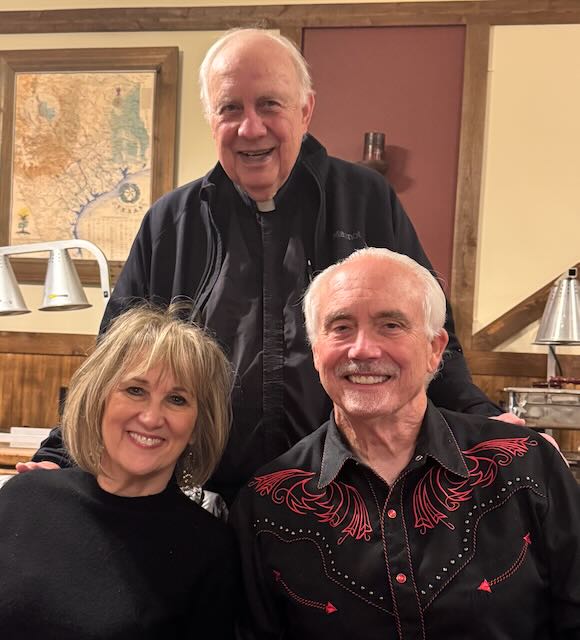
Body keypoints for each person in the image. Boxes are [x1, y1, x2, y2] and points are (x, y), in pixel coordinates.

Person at [28, 28, 520, 504]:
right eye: (230, 108)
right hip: (208, 502)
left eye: (269, 105)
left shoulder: (365, 200)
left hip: (346, 498)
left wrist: (482, 417)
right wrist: (59, 456)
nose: (250, 128)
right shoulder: (172, 222)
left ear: (305, 111)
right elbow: (114, 361)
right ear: (211, 118)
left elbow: (429, 334)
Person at [230, 247, 580, 639]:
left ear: (434, 349)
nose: (362, 349)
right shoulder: (267, 503)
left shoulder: (526, 465)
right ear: (315, 352)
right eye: (341, 327)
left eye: (391, 325)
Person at [0, 305, 238, 639]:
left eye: (177, 399)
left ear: (198, 426)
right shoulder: (23, 498)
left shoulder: (209, 549)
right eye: (135, 390)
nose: (151, 418)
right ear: (99, 398)